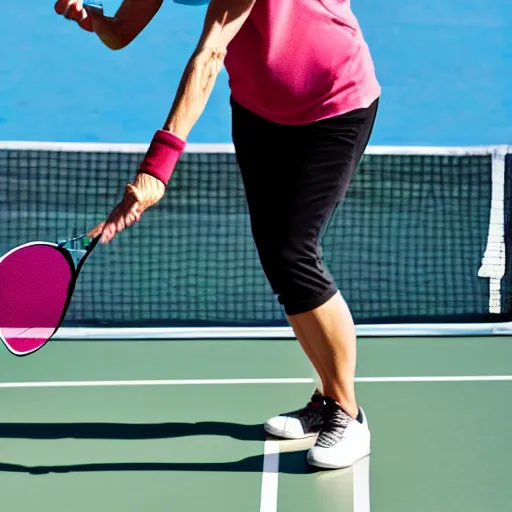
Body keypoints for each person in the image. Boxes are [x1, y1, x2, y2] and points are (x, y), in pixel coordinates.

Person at [55, 0, 381, 469]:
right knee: (278, 257)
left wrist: (156, 170)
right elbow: (122, 30)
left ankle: (349, 414)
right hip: (258, 109)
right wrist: (94, 20)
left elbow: (210, 54)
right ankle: (327, 399)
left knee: (294, 253)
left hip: (332, 103)